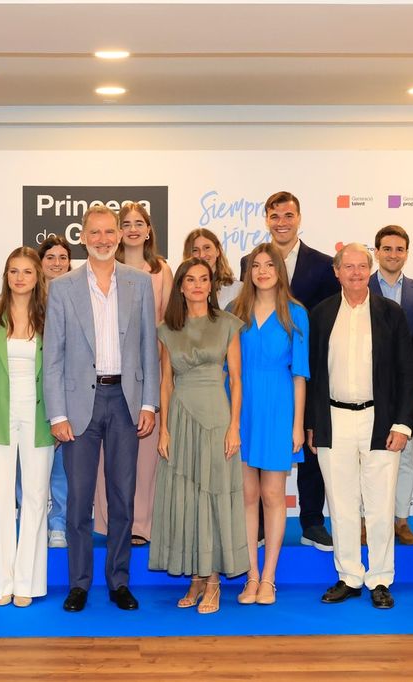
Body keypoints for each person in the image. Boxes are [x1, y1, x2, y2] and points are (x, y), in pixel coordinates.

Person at [43, 205, 159, 613]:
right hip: (79, 406)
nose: (105, 239)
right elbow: (52, 357)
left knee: (122, 498)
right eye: (96, 232)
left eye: (111, 232)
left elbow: (149, 347)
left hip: (126, 402)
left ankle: (119, 581)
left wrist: (149, 402)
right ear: (83, 236)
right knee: (77, 501)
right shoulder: (63, 288)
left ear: (120, 236)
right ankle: (78, 584)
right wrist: (57, 414)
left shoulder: (140, 283)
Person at [307, 244, 413, 609]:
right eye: (348, 266)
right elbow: (311, 376)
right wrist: (311, 423)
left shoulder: (390, 313)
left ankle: (381, 579)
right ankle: (349, 576)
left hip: (380, 420)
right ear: (336, 271)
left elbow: (407, 371)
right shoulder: (321, 314)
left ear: (369, 270)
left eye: (361, 266)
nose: (355, 272)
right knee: (340, 504)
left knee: (380, 504)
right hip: (333, 419)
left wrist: (403, 423)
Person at [240, 191, 339, 552]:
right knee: (254, 476)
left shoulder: (324, 264)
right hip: (259, 379)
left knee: (309, 443)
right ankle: (261, 529)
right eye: (274, 215)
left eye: (288, 215)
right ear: (266, 219)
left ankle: (312, 521)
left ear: (299, 218)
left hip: (304, 370)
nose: (281, 222)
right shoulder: (248, 261)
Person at [149, 257, 248, 614]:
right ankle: (195, 575)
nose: (197, 285)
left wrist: (234, 426)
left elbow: (236, 380)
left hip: (216, 417)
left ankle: (213, 580)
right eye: (190, 279)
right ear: (180, 286)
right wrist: (164, 430)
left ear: (212, 284)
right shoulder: (166, 329)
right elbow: (165, 381)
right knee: (186, 497)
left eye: (203, 279)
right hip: (180, 416)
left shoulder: (227, 325)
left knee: (213, 496)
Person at [0, 247, 54, 607]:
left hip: (40, 419)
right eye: (13, 271)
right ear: (6, 276)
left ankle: (28, 582)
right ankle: (2, 583)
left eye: (27, 272)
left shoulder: (53, 318)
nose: (20, 278)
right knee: (1, 502)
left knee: (35, 499)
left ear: (38, 277)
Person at [230, 243, 309, 606]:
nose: (262, 271)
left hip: (279, 408)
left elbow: (299, 376)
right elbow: (226, 372)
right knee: (247, 497)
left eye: (269, 265)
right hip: (242, 410)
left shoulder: (296, 314)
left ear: (280, 269)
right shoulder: (236, 312)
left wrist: (297, 425)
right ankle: (251, 576)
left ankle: (270, 578)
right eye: (256, 266)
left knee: (274, 496)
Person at [94, 203, 173, 546]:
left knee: (143, 452)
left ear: (149, 229)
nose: (133, 229)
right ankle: (107, 521)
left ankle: (140, 524)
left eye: (139, 223)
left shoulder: (160, 270)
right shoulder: (104, 268)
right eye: (125, 224)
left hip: (147, 370)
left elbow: (169, 325)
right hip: (107, 373)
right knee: (102, 454)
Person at [367, 225, 413, 545]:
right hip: (367, 388)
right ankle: (367, 521)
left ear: (407, 253)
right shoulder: (360, 285)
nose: (393, 254)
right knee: (367, 457)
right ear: (376, 252)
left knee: (405, 456)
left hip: (408, 389)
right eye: (387, 249)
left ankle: (401, 520)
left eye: (399, 249)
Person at [38, 235, 72, 548]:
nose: (57, 263)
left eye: (63, 257)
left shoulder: (77, 298)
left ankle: (59, 523)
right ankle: (32, 523)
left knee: (62, 464)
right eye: (50, 257)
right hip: (32, 392)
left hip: (67, 392)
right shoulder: (26, 299)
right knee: (29, 465)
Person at [183, 228, 242, 309]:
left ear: (218, 251)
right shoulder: (182, 289)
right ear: (188, 255)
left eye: (207, 248)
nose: (202, 255)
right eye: (195, 250)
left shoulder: (238, 289)